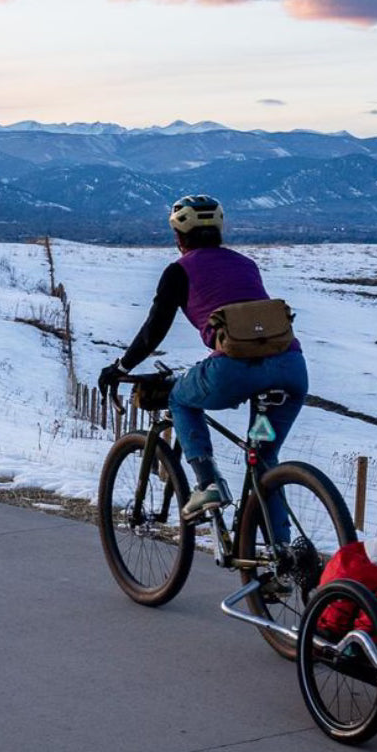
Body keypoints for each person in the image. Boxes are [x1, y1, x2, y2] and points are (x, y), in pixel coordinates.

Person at [98, 194, 308, 530]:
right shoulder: (245, 264)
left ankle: (207, 484)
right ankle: (282, 557)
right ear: (220, 231)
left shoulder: (178, 271)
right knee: (264, 460)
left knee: (180, 398)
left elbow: (155, 329)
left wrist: (121, 367)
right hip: (291, 369)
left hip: (236, 371)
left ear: (178, 237)